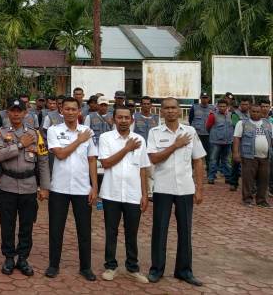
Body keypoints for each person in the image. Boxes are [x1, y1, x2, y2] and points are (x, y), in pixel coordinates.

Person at [146, 97, 206, 286]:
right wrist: (174, 145)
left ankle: (184, 271)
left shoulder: (190, 131)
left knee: (185, 231)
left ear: (179, 110)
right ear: (161, 111)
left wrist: (199, 189)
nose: (170, 111)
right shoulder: (155, 132)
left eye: (174, 107)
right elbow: (154, 158)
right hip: (163, 187)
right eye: (167, 108)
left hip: (185, 188)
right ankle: (156, 269)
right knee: (160, 230)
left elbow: (198, 160)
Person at [0, 99, 50, 277]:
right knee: (7, 225)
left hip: (29, 187)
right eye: (13, 110)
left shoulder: (35, 134)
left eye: (20, 111)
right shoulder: (0, 134)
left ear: (26, 113)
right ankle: (9, 257)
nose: (16, 114)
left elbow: (43, 162)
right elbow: (0, 155)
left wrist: (44, 187)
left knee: (26, 226)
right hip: (8, 185)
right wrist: (20, 145)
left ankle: (23, 258)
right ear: (7, 113)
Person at [45, 97, 98, 281]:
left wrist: (94, 187)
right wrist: (78, 140)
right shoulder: (54, 130)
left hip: (82, 189)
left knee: (84, 230)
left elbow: (92, 159)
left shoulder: (87, 132)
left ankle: (86, 267)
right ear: (62, 110)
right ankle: (53, 265)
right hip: (59, 188)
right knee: (56, 229)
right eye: (66, 109)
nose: (69, 112)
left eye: (73, 109)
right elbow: (60, 154)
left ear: (78, 111)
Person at [98, 106, 150, 283]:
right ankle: (110, 266)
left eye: (126, 118)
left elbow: (143, 169)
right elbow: (105, 163)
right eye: (119, 117)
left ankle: (132, 268)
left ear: (132, 120)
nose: (123, 120)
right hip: (111, 194)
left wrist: (145, 194)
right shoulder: (106, 138)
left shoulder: (140, 140)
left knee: (132, 232)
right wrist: (127, 148)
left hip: (133, 195)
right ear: (113, 119)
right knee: (111, 231)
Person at [232, 104, 271, 208]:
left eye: (258, 112)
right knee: (248, 179)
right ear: (249, 111)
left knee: (264, 179)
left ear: (261, 112)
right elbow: (236, 139)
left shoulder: (268, 124)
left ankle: (261, 201)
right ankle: (247, 200)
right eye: (253, 111)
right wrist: (236, 153)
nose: (256, 113)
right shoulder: (242, 123)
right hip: (249, 156)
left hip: (265, 156)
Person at [205, 98, 233, 184]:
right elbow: (208, 127)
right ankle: (211, 178)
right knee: (213, 160)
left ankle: (228, 177)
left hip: (227, 142)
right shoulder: (212, 115)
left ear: (227, 107)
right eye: (220, 106)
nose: (222, 108)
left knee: (226, 160)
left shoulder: (231, 115)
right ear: (217, 106)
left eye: (224, 106)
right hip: (215, 142)